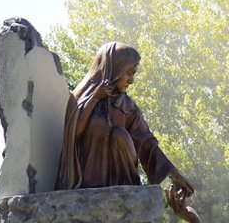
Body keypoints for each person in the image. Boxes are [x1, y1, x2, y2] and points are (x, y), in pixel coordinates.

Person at [56, 41, 194, 194]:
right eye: (129, 73)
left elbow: (147, 143)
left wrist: (174, 175)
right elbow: (74, 133)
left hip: (122, 191)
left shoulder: (128, 107)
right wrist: (95, 97)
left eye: (133, 74)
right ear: (115, 68)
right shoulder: (80, 97)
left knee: (119, 135)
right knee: (102, 126)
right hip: (83, 189)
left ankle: (127, 194)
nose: (131, 80)